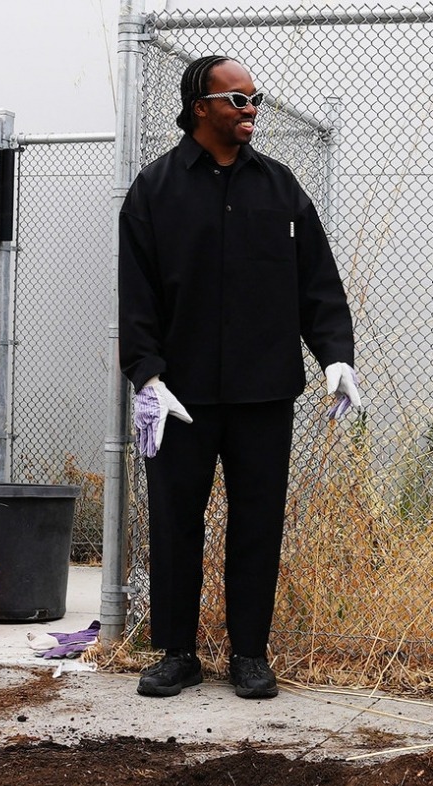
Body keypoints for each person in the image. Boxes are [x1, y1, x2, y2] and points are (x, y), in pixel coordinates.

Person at [119, 55, 360, 700]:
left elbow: (317, 285)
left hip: (263, 392)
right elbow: (136, 297)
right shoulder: (155, 191)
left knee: (258, 520)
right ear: (200, 106)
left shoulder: (281, 190)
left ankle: (250, 654)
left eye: (256, 99)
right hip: (180, 396)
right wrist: (146, 374)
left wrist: (335, 354)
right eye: (238, 100)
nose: (252, 109)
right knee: (175, 521)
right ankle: (178, 652)